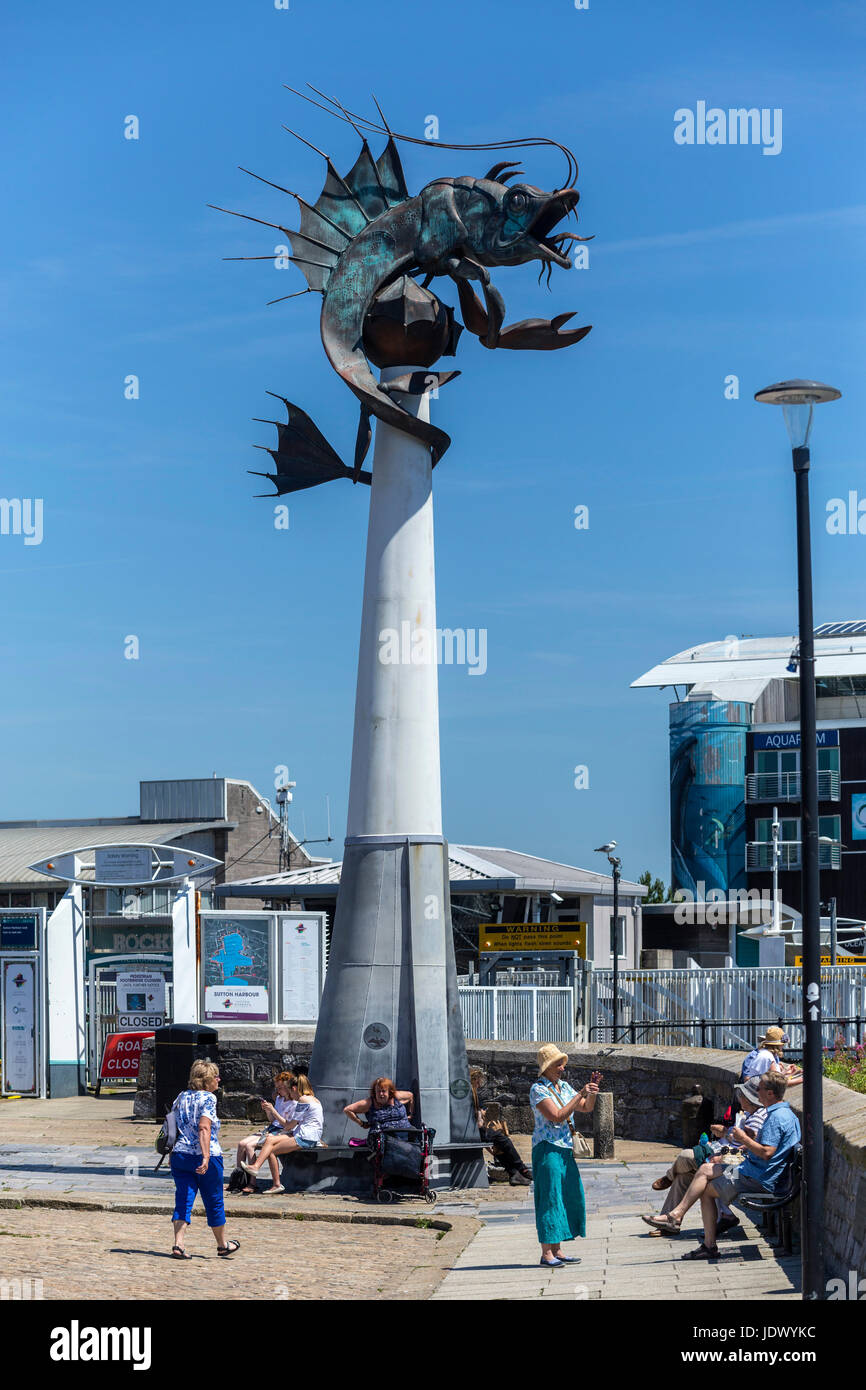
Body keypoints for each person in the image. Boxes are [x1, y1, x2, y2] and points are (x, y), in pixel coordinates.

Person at [645, 1071, 800, 1259]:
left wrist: (744, 1139)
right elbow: (768, 1148)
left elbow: (767, 1153)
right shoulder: (782, 1113)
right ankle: (677, 1216)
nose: (757, 1092)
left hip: (758, 1177)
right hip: (754, 1170)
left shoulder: (775, 1117)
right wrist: (749, 1139)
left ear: (770, 1093)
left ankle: (700, 1237)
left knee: (705, 1186)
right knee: (703, 1170)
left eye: (760, 1089)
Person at [641, 1078, 768, 1235]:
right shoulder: (750, 1114)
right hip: (732, 1158)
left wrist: (724, 1153)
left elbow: (748, 1149)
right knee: (684, 1177)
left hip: (738, 1164)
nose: (739, 1098)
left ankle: (669, 1179)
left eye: (741, 1095)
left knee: (686, 1156)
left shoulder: (759, 1117)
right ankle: (670, 1223)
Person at [530, 1044, 599, 1268]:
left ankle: (557, 1249)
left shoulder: (564, 1086)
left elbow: (585, 1108)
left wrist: (592, 1093)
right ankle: (546, 1253)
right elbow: (557, 1116)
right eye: (558, 1064)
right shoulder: (538, 1089)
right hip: (547, 1148)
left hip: (565, 1148)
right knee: (549, 1198)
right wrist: (580, 1092)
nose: (562, 1068)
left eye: (562, 1064)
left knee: (566, 1196)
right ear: (548, 1067)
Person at [169, 1059, 240, 1259]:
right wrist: (206, 1155)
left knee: (183, 1198)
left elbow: (173, 1128)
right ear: (207, 1080)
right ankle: (222, 1244)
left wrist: (171, 1153)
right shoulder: (208, 1098)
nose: (219, 1080)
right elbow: (204, 1127)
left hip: (180, 1155)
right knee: (214, 1200)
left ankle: (179, 1244)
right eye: (216, 1076)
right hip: (205, 1156)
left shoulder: (181, 1096)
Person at [240, 1073, 324, 1189]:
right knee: (270, 1140)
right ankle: (256, 1167)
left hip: (305, 1137)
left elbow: (290, 1125)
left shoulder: (303, 1100)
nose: (290, 1094)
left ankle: (276, 1183)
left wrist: (281, 1131)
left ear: (294, 1088)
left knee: (271, 1151)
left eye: (290, 1091)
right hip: (303, 1134)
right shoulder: (313, 1099)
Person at [236, 1071, 296, 1195]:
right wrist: (268, 1111)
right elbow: (272, 1120)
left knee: (249, 1146)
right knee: (242, 1143)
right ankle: (239, 1181)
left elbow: (287, 1125)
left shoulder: (294, 1103)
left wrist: (273, 1110)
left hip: (282, 1132)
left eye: (281, 1088)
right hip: (272, 1128)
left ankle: (252, 1183)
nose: (278, 1091)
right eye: (277, 1088)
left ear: (289, 1087)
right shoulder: (279, 1099)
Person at [470, 1066, 531, 1186]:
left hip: (477, 1131)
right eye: (478, 1082)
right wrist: (480, 1114)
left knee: (500, 1145)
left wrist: (481, 1112)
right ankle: (521, 1169)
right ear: (474, 1081)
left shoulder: (474, 1095)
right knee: (504, 1140)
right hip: (475, 1131)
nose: (479, 1084)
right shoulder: (471, 1095)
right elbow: (479, 1123)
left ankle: (514, 1174)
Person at [344, 1077, 414, 1132]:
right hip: (383, 1138)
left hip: (405, 1132)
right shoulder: (369, 1103)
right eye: (378, 1091)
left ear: (389, 1092)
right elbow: (347, 1110)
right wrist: (362, 1124)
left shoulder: (396, 1097)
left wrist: (410, 1115)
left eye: (383, 1091)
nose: (381, 1094)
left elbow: (410, 1096)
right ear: (374, 1092)